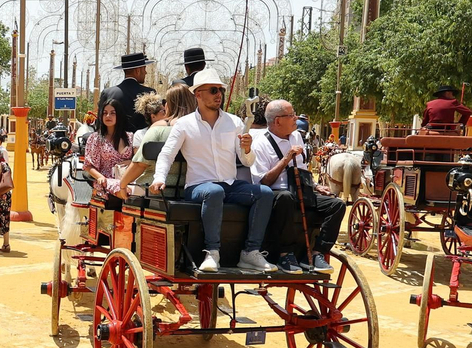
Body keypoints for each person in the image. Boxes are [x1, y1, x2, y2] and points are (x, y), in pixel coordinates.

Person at [150, 69, 279, 273]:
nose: (218, 94)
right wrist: (159, 178)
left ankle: (250, 252)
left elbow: (247, 161)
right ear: (198, 94)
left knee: (265, 193)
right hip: (198, 187)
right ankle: (212, 252)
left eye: (220, 90)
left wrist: (247, 149)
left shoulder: (234, 122)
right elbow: (167, 154)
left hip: (230, 185)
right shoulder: (184, 124)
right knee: (214, 191)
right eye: (213, 90)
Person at [254, 99, 345, 275]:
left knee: (337, 205)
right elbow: (263, 181)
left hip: (301, 190)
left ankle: (317, 252)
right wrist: (286, 158)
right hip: (277, 194)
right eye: (291, 115)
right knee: (286, 197)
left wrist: (316, 186)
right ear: (278, 121)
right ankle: (285, 254)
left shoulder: (296, 136)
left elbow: (302, 169)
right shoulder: (260, 145)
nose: (296, 118)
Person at [118, 84, 195, 194]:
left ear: (168, 105)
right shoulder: (199, 129)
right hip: (189, 188)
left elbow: (139, 164)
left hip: (155, 188)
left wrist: (122, 185)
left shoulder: (157, 129)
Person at [96, 51, 155, 137]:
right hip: (141, 142)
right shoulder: (149, 93)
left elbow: (100, 123)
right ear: (138, 71)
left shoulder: (108, 93)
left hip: (114, 142)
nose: (145, 73)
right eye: (144, 69)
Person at [83, 100, 135, 197]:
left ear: (119, 115)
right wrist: (100, 177)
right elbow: (88, 166)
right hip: (106, 180)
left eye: (112, 113)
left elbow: (138, 161)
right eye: (105, 113)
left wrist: (130, 162)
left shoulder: (130, 137)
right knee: (123, 188)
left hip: (128, 178)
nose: (108, 116)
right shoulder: (95, 138)